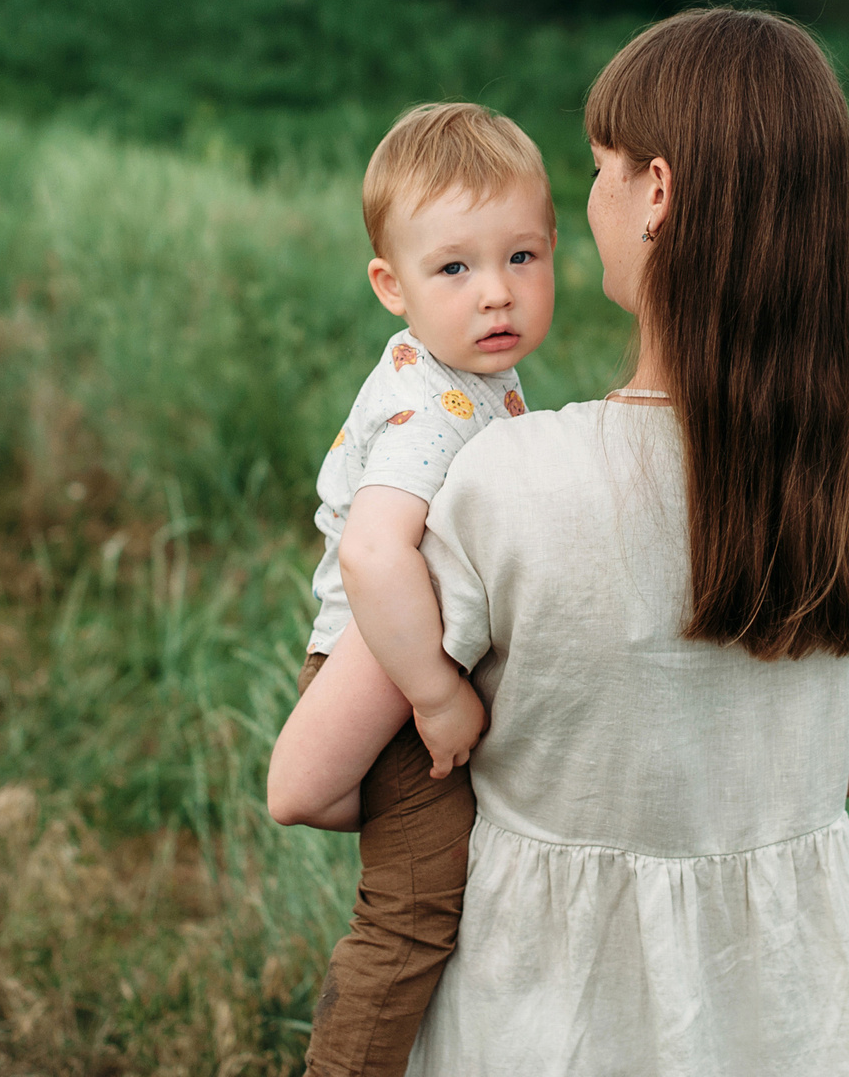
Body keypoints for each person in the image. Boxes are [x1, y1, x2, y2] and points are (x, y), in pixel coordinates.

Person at [275, 6, 849, 1075]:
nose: (590, 197)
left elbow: (301, 782)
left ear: (655, 193)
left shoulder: (512, 480)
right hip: (789, 1025)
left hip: (548, 1028)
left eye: (599, 166)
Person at [264, 101, 559, 1077]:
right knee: (412, 914)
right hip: (384, 678)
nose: (495, 296)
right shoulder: (430, 414)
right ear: (390, 285)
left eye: (521, 257)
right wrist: (433, 694)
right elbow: (374, 557)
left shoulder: (464, 377)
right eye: (455, 269)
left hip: (401, 667)